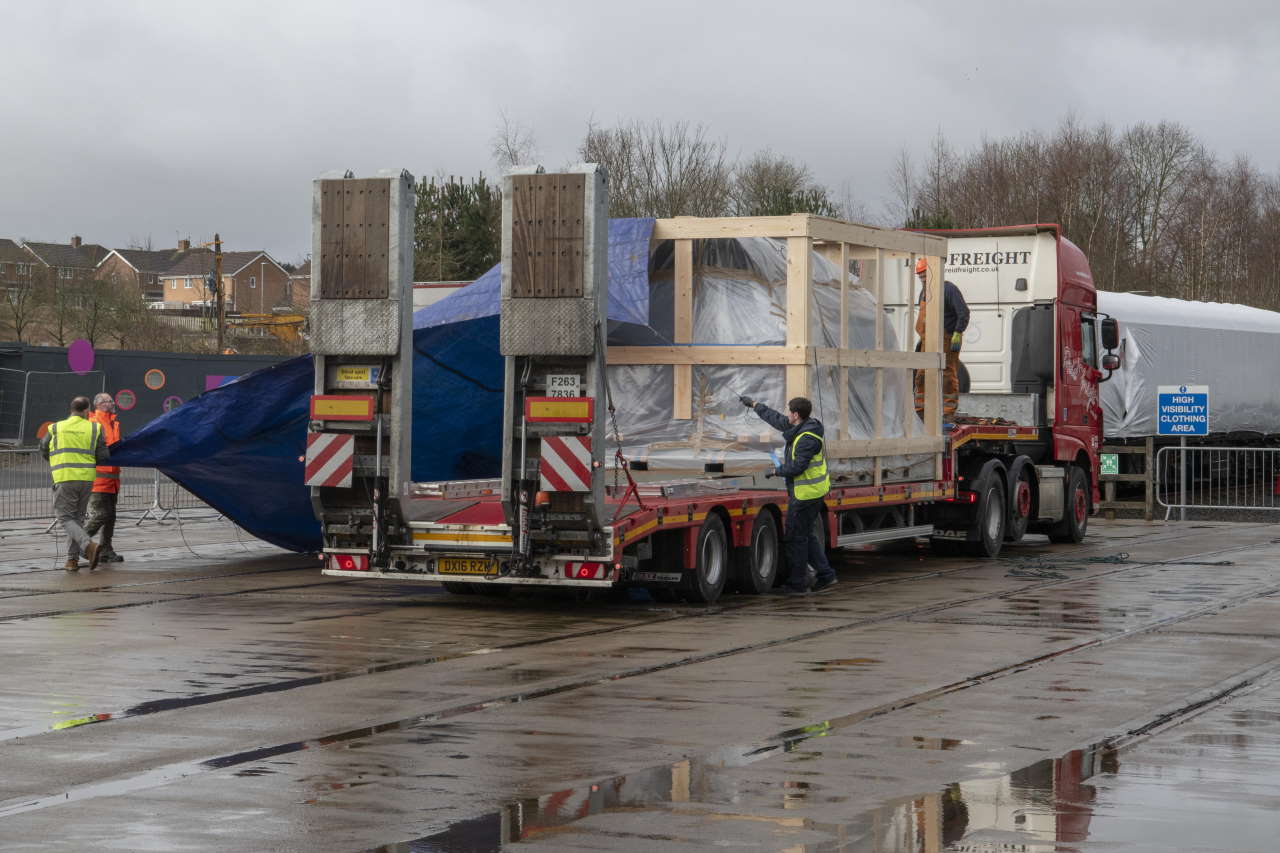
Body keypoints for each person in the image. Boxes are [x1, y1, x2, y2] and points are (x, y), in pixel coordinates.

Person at [739, 395, 837, 596]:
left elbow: (798, 467)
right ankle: (826, 575)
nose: (786, 416)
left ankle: (797, 584)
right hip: (808, 492)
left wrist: (776, 471)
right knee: (806, 535)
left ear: (796, 415)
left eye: (789, 412)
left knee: (795, 538)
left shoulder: (807, 438)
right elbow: (777, 419)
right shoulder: (802, 427)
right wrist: (755, 405)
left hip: (806, 494)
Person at [40, 396, 110, 571]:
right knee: (76, 520)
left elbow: (43, 447)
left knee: (64, 518)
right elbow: (103, 456)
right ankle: (72, 561)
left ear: (71, 410)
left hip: (64, 477)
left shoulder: (56, 427)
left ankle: (88, 546)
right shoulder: (95, 428)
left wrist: (55, 460)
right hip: (86, 479)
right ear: (87, 411)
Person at [912, 257, 969, 422]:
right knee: (922, 374)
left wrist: (958, 332)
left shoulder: (949, 289)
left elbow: (963, 312)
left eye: (924, 274)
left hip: (947, 338)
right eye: (920, 275)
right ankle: (921, 411)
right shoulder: (924, 292)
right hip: (927, 338)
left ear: (933, 273)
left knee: (947, 374)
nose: (922, 278)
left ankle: (948, 412)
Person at [85, 392, 124, 563]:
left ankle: (106, 550)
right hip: (98, 481)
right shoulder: (94, 423)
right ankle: (80, 543)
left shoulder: (113, 422)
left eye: (111, 400)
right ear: (99, 404)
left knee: (110, 517)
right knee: (101, 515)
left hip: (112, 481)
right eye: (108, 401)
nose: (112, 403)